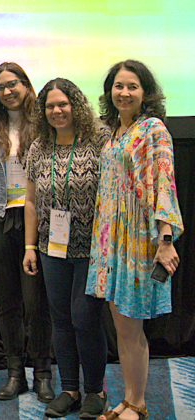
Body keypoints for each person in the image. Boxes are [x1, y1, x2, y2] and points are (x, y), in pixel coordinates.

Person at [88, 61, 183, 420]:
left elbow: (165, 183)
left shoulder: (153, 129)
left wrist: (166, 238)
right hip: (111, 240)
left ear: (146, 92)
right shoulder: (114, 132)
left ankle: (138, 404)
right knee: (121, 327)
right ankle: (128, 400)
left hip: (138, 239)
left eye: (132, 86)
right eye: (118, 86)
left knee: (131, 325)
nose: (124, 93)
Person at [23, 78, 108, 418]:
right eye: (50, 106)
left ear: (76, 105)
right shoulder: (39, 146)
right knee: (60, 320)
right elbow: (30, 201)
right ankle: (69, 389)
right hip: (51, 247)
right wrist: (30, 246)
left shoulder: (99, 140)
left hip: (92, 248)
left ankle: (95, 391)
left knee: (85, 319)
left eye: (63, 104)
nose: (57, 111)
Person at [0, 63, 53, 402]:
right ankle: (15, 373)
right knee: (7, 303)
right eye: (0, 87)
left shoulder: (45, 125)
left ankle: (43, 373)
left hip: (38, 219)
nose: (7, 91)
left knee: (36, 302)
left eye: (13, 84)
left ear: (26, 85)